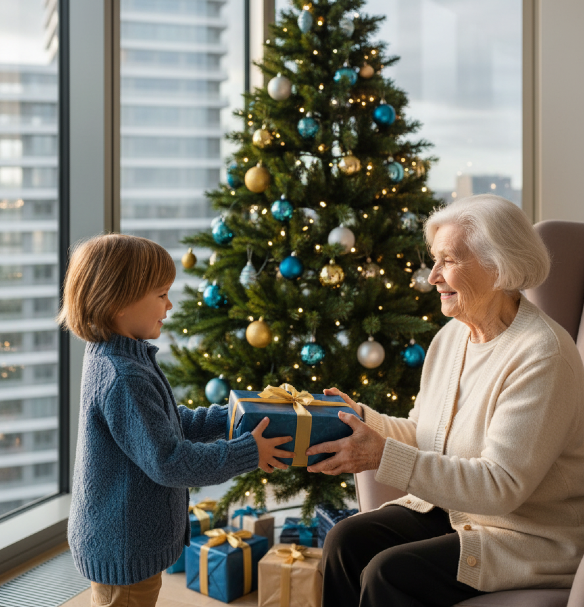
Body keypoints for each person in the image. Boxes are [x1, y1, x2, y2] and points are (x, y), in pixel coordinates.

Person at [306, 194, 584, 607]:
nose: (432, 275)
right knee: (347, 540)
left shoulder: (543, 355)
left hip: (524, 534)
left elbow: (500, 487)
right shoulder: (451, 337)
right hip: (459, 513)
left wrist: (383, 456)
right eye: (434, 260)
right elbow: (426, 434)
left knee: (390, 574)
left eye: (449, 260)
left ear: (498, 265)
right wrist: (360, 419)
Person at [58, 233, 293, 607]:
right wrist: (248, 452)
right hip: (124, 549)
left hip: (122, 542)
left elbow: (164, 423)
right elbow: (169, 461)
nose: (169, 305)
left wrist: (226, 418)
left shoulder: (118, 357)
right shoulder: (124, 375)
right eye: (161, 294)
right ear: (119, 302)